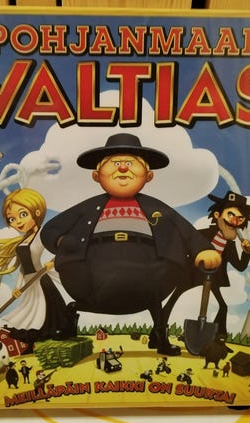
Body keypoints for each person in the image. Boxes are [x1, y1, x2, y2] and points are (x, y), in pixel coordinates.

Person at [41, 133, 221, 356]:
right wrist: (62, 242)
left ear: (148, 176)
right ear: (97, 175)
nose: (123, 168)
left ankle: (160, 337)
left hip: (148, 274)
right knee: (89, 298)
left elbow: (186, 232)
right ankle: (69, 323)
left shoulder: (157, 209)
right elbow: (50, 230)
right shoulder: (87, 208)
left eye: (131, 163)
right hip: (92, 276)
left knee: (154, 301)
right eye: (115, 163)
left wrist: (203, 250)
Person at [0, 188, 75, 348]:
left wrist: (53, 262)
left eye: (22, 214)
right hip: (29, 282)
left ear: (36, 212)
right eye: (12, 219)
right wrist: (17, 287)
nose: (18, 222)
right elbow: (22, 267)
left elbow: (65, 248)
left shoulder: (43, 234)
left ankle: (47, 336)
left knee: (40, 311)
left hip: (41, 280)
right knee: (28, 310)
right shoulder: (23, 240)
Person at [196, 191, 250, 337]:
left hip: (212, 279)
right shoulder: (202, 234)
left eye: (240, 218)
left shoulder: (229, 245)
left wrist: (246, 252)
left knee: (223, 306)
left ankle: (218, 337)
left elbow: (240, 266)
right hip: (193, 274)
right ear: (217, 215)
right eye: (230, 215)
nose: (234, 221)